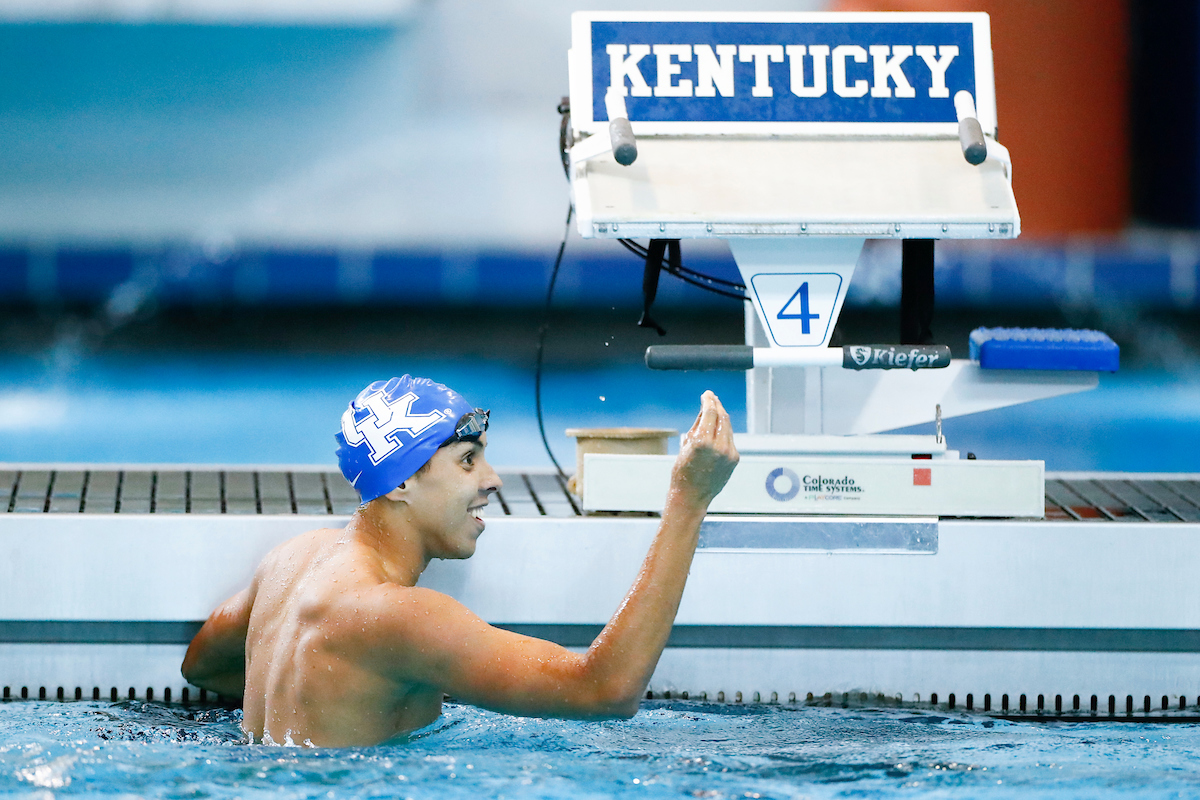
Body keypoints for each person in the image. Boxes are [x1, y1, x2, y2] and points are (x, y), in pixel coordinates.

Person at [182, 375, 738, 747]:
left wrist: (338, 697)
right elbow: (605, 691)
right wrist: (688, 502)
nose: (492, 479)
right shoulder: (401, 617)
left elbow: (201, 666)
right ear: (400, 481)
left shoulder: (291, 560)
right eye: (467, 460)